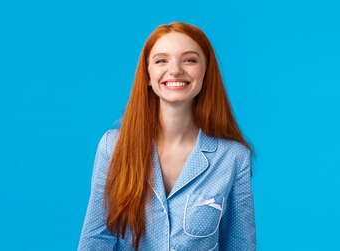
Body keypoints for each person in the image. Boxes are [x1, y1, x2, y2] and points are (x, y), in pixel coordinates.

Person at [78, 22, 256, 251]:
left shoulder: (233, 157)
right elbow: (95, 239)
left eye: (189, 60)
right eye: (162, 60)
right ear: (148, 75)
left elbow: (240, 245)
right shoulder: (113, 147)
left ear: (206, 72)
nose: (175, 70)